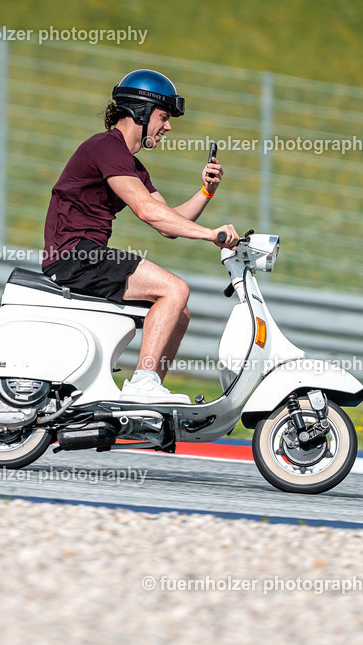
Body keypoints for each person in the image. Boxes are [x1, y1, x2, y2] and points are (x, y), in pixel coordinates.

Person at [42, 69, 239, 404]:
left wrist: (206, 191)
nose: (168, 127)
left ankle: (147, 397)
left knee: (179, 311)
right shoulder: (106, 147)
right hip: (74, 256)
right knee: (175, 288)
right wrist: (210, 234)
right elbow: (148, 211)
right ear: (141, 111)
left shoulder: (130, 164)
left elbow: (168, 223)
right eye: (164, 117)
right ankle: (142, 382)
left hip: (86, 255)